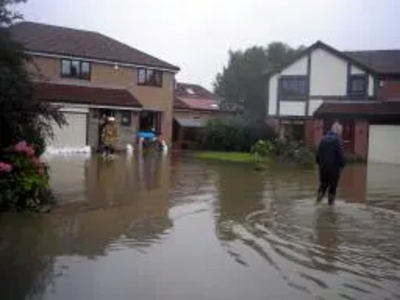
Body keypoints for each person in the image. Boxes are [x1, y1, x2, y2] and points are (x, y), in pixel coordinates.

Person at [316, 122, 345, 205]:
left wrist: (319, 163)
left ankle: (317, 203)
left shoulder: (323, 139)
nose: (341, 133)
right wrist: (342, 165)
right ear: (338, 131)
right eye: (341, 131)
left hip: (323, 168)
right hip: (334, 168)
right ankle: (330, 206)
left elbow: (318, 153)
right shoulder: (338, 140)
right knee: (333, 187)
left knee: (323, 185)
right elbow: (340, 155)